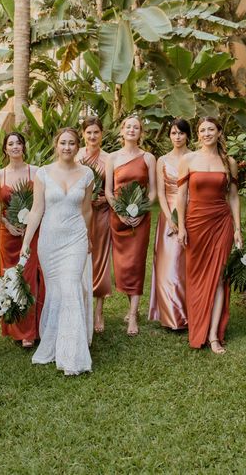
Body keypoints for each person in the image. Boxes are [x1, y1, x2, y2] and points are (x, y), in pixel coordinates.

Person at [21, 127, 94, 376]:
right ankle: (52, 342)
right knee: (56, 291)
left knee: (71, 286)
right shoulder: (43, 174)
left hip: (75, 238)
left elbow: (87, 210)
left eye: (72, 143)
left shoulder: (87, 174)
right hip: (49, 241)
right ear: (56, 145)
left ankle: (71, 353)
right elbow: (36, 210)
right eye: (63, 143)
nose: (67, 147)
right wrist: (26, 242)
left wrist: (88, 237)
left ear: (77, 146)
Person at [176, 117, 242, 354]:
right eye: (202, 130)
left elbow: (233, 196)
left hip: (221, 222)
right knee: (195, 276)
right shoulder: (188, 159)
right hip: (195, 223)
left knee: (218, 277)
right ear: (198, 134)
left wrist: (237, 228)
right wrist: (181, 226)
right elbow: (181, 195)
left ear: (219, 132)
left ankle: (213, 334)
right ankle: (198, 324)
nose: (206, 133)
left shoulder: (229, 162)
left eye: (210, 129)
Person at [105, 115, 156, 337]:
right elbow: (108, 190)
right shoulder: (113, 158)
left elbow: (153, 190)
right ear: (122, 131)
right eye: (128, 127)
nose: (132, 130)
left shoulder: (148, 158)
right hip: (118, 219)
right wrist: (119, 211)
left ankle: (133, 314)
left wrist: (142, 209)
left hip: (140, 218)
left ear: (141, 132)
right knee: (123, 268)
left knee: (136, 264)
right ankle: (130, 305)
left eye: (136, 127)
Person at [0, 132, 44, 348]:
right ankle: (15, 326)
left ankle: (31, 330)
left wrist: (29, 225)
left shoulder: (36, 172)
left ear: (24, 147)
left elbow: (42, 203)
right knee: (11, 278)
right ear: (5, 149)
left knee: (30, 278)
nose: (15, 147)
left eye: (18, 143)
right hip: (8, 235)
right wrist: (7, 224)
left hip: (32, 233)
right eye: (10, 144)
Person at [149, 118, 191, 330]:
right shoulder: (162, 160)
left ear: (187, 136)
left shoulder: (194, 158)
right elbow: (161, 194)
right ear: (170, 136)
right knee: (168, 267)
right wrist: (168, 219)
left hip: (191, 214)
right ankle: (171, 315)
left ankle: (190, 313)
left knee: (187, 267)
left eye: (181, 133)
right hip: (168, 217)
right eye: (174, 133)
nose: (177, 137)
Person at [76, 116, 111, 334]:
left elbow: (114, 188)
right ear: (83, 134)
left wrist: (106, 199)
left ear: (102, 134)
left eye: (96, 132)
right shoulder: (76, 156)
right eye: (88, 132)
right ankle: (81, 306)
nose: (92, 136)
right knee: (79, 259)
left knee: (99, 260)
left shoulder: (109, 159)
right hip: (78, 214)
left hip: (102, 214)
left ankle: (99, 310)